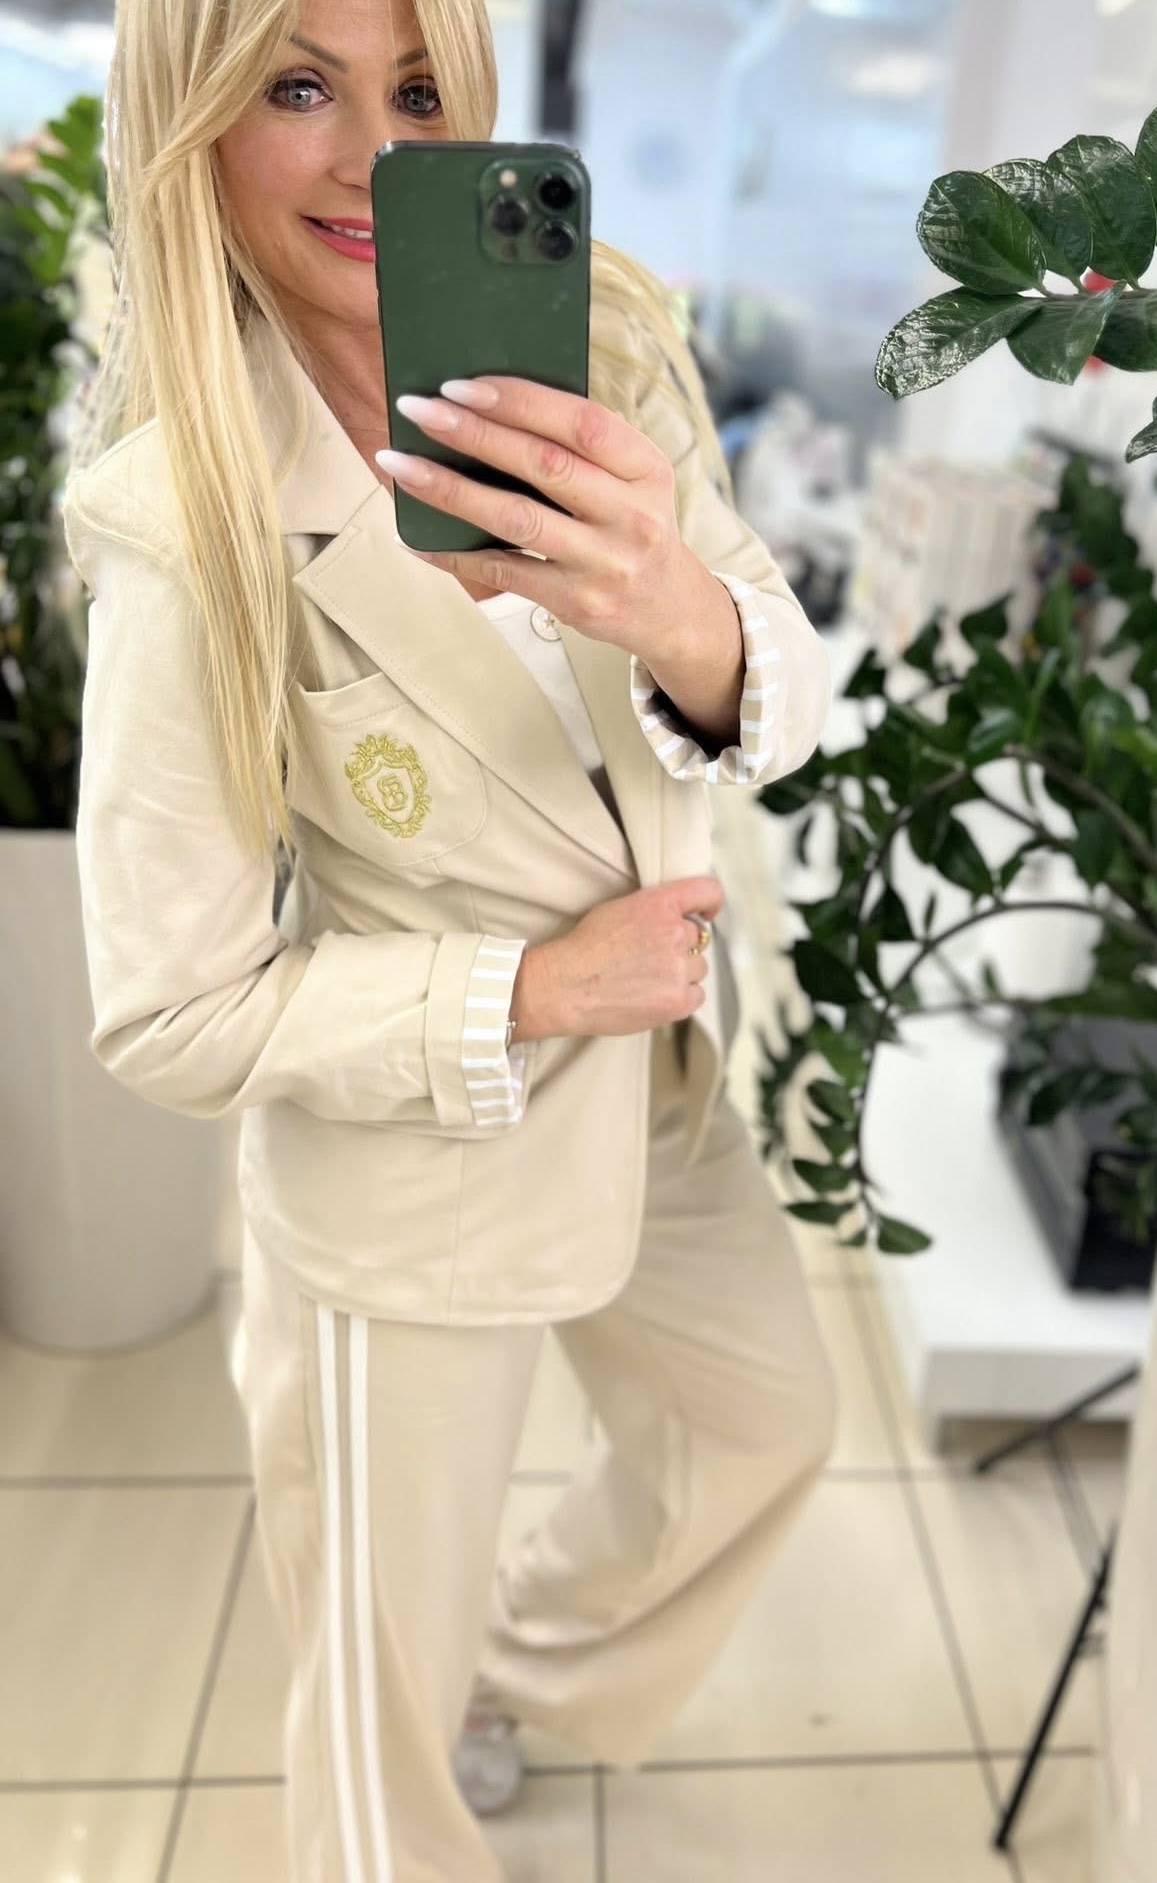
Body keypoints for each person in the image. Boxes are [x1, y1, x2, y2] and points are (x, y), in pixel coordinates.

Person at [63, 2, 837, 1877]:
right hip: (415, 1177)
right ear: (191, 122)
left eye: (417, 88)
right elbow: (167, 1010)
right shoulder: (186, 516)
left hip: (651, 1087)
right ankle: (433, 1736)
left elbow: (783, 692)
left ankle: (523, 1675)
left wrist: (679, 612)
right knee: (375, 1725)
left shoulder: (602, 353)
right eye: (297, 87)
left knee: (762, 1423)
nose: (372, 155)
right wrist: (533, 987)